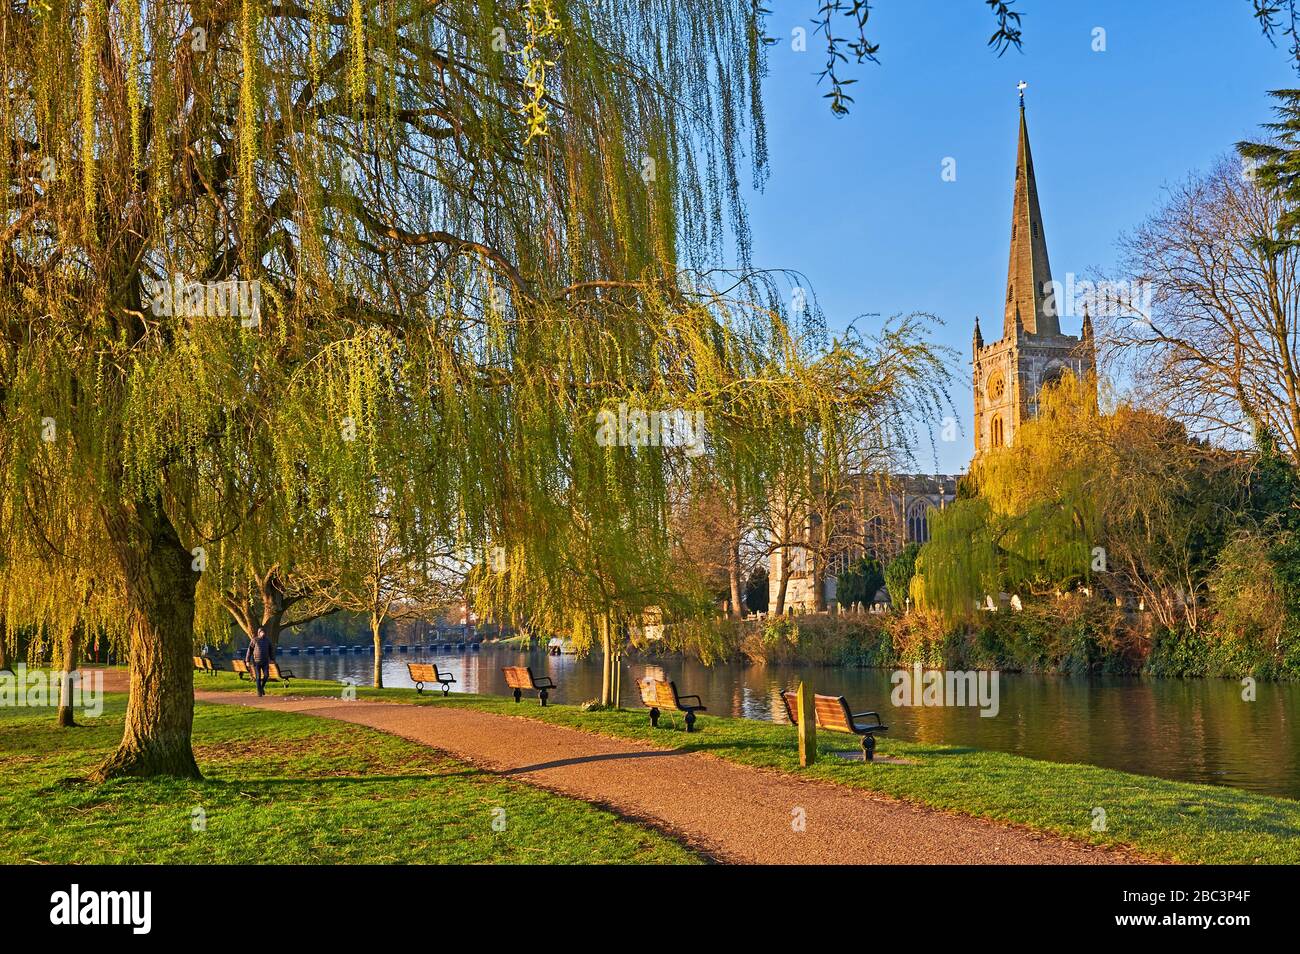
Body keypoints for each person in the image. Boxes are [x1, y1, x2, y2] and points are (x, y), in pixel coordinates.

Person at [245, 627, 273, 697]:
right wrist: (247, 660)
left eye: (263, 632)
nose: (263, 633)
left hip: (265, 662)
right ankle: (259, 692)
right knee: (258, 677)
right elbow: (249, 650)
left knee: (266, 676)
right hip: (256, 662)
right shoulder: (254, 640)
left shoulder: (268, 641)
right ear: (259, 633)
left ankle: (261, 687)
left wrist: (272, 659)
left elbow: (271, 650)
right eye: (261, 632)